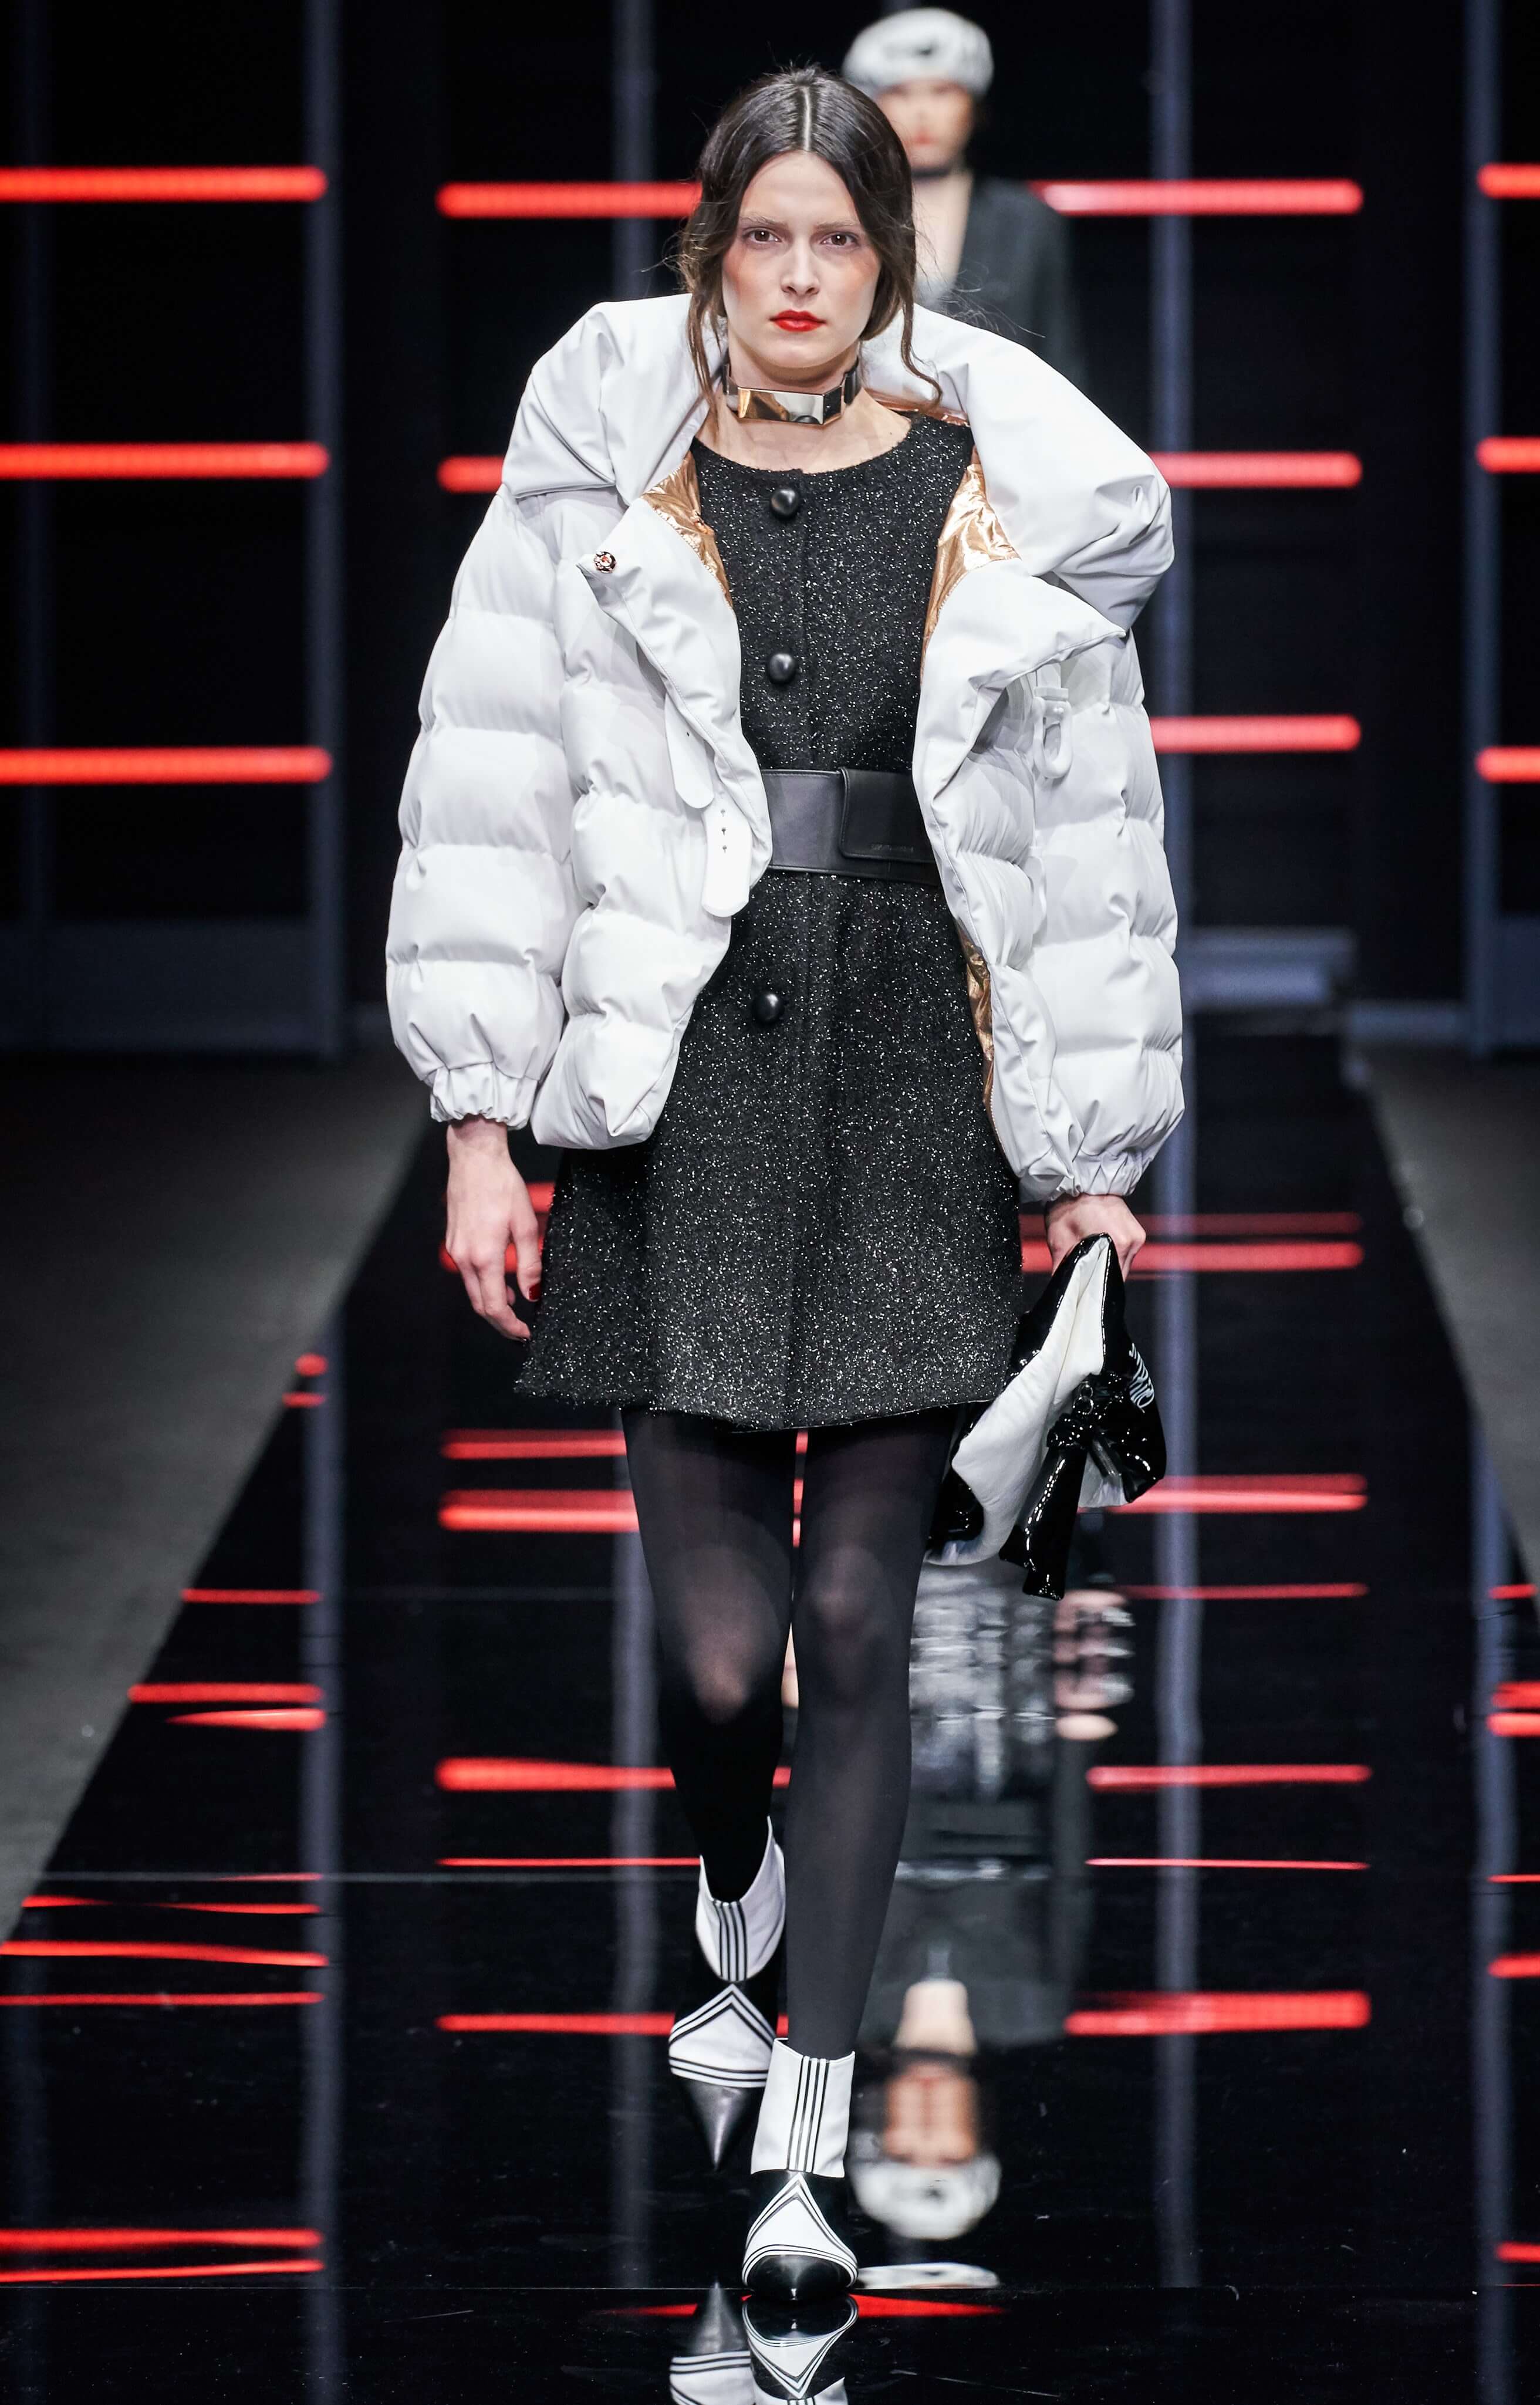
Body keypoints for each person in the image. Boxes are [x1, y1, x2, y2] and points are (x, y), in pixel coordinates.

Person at [386, 63, 1180, 2305]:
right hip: (685, 1083)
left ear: (889, 265)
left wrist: (1095, 1165)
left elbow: (1094, 845)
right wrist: (478, 1117)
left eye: (841, 239)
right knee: (720, 1655)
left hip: (918, 1075)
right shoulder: (605, 495)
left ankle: (809, 2134)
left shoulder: (987, 503)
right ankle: (727, 1873)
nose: (804, 275)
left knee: (854, 1623)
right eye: (769, 237)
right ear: (710, 255)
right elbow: (491, 797)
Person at [844, 6, 1088, 386]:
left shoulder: (1027, 220)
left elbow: (1058, 356)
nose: (923, 112)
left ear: (973, 105)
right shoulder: (844, 212)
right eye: (900, 92)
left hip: (1004, 414)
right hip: (869, 415)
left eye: (943, 91)